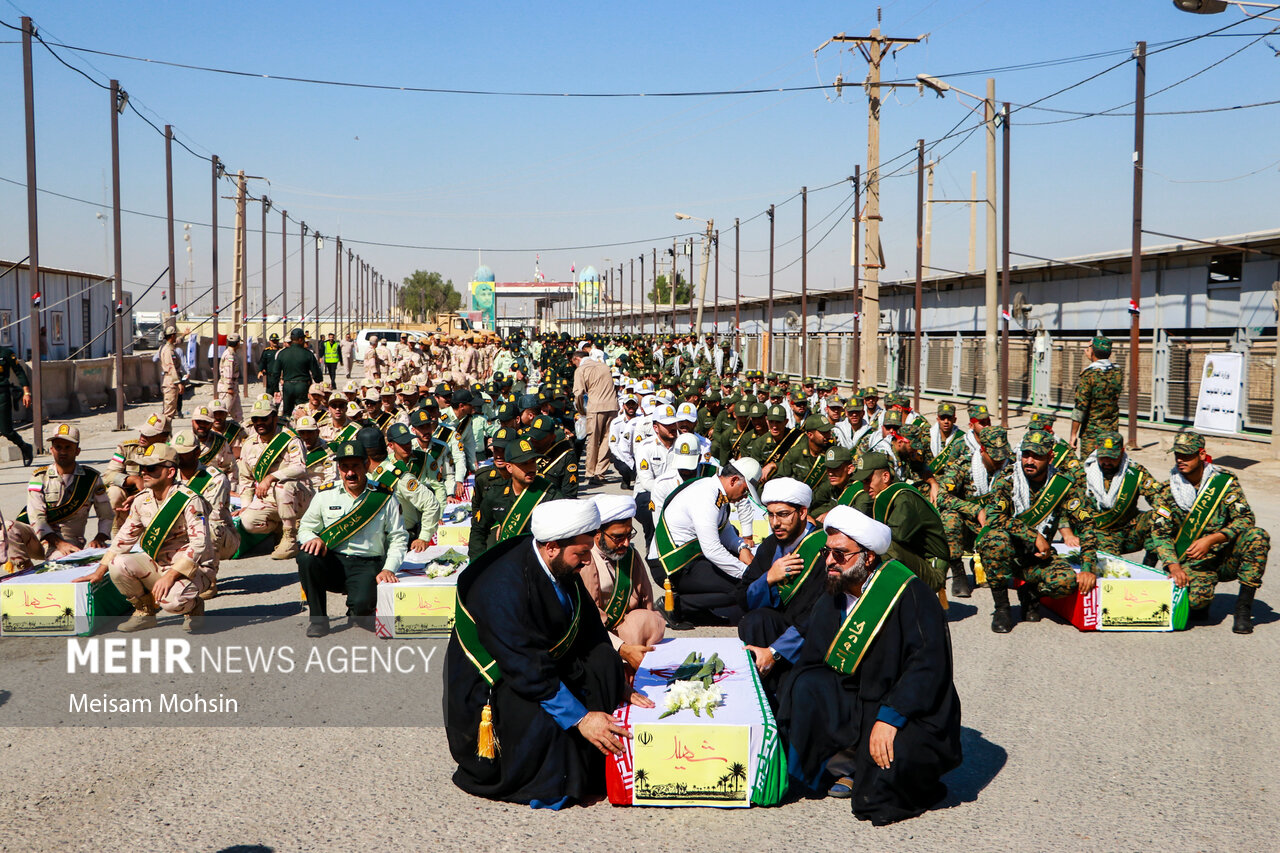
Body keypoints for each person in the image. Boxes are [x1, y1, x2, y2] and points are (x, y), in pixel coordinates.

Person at [445, 499, 653, 808]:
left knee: (605, 660)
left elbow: (589, 627)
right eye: (582, 553)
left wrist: (618, 684)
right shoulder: (502, 587)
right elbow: (524, 665)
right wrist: (581, 718)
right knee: (546, 721)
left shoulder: (558, 562)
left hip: (540, 662)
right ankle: (563, 776)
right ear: (552, 547)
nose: (587, 561)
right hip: (498, 680)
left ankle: (594, 755)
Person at [776, 505, 961, 824]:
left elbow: (927, 667)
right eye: (827, 552)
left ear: (869, 557)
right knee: (804, 683)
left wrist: (890, 719)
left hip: (905, 708)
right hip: (857, 699)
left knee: (876, 797)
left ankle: (863, 765)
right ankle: (830, 764)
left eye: (840, 554)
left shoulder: (908, 593)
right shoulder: (834, 593)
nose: (829, 561)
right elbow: (815, 661)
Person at [74, 444, 215, 633]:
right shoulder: (142, 500)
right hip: (158, 563)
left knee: (173, 602)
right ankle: (144, 611)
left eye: (151, 468)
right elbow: (123, 539)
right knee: (118, 563)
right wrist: (99, 571)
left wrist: (171, 576)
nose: (144, 473)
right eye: (142, 468)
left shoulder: (189, 500)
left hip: (191, 569)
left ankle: (194, 606)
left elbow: (200, 544)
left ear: (170, 472)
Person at [977, 429, 1098, 634]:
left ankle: (1031, 592)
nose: (1029, 461)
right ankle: (1002, 608)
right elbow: (994, 517)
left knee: (1066, 582)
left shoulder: (1062, 484)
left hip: (1039, 557)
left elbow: (1087, 525)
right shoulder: (1008, 479)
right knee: (994, 540)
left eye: (1037, 456)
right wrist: (1033, 535)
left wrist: (1088, 567)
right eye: (1026, 455)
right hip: (1009, 554)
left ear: (1050, 457)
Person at [1151, 431, 1269, 633]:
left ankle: (1243, 609)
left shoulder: (1223, 482)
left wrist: (1213, 539)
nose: (1180, 460)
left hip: (1224, 555)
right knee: (1195, 602)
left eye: (1187, 455)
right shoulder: (1167, 490)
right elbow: (1160, 534)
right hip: (1194, 561)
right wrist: (1174, 567)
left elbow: (1246, 518)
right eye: (1178, 454)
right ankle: (1202, 601)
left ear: (1202, 455)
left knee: (1258, 537)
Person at [296, 439, 408, 637]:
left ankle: (358, 608)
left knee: (362, 611)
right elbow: (305, 528)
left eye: (355, 466)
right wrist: (313, 538)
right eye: (344, 467)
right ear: (338, 468)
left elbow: (398, 537)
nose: (350, 473)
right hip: (334, 561)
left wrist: (388, 569)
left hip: (367, 564)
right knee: (306, 556)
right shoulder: (326, 494)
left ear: (366, 465)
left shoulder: (383, 496)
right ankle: (318, 620)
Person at [737, 478, 828, 692]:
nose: (775, 523)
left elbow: (817, 614)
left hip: (809, 635)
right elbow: (742, 596)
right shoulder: (771, 545)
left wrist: (775, 651)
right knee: (755, 620)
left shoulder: (824, 551)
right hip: (778, 627)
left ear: (802, 513)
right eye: (771, 515)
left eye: (783, 514)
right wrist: (769, 578)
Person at [650, 459, 763, 625]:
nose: (745, 496)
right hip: (672, 565)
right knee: (742, 587)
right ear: (733, 480)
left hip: (690, 558)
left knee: (737, 572)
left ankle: (698, 609)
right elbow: (712, 550)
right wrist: (747, 573)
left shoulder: (715, 490)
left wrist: (742, 548)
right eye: (745, 490)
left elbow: (725, 531)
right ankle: (677, 606)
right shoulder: (706, 496)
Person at [4, 423, 111, 570]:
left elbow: (106, 515)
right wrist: (57, 542)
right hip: (39, 538)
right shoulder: (39, 477)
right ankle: (27, 572)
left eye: (68, 447)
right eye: (58, 447)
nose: (62, 452)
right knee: (8, 527)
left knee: (58, 564)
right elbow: (36, 517)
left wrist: (100, 538)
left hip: (69, 541)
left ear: (77, 451)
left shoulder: (91, 478)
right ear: (51, 450)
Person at [579, 494, 664, 668]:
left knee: (643, 620)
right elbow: (585, 621)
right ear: (597, 533)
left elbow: (647, 603)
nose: (626, 543)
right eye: (618, 537)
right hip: (594, 636)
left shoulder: (630, 556)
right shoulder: (583, 562)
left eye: (629, 535)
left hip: (631, 634)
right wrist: (621, 648)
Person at [848, 452, 949, 593]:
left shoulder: (904, 498)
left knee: (884, 546)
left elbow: (894, 537)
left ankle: (872, 593)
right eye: (863, 482)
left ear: (885, 477)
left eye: (868, 480)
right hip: (917, 560)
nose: (865, 488)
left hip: (933, 568)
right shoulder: (887, 495)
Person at [935, 425, 1011, 599]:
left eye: (1002, 456)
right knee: (949, 517)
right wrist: (975, 509)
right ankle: (958, 573)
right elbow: (942, 497)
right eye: (994, 457)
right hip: (968, 528)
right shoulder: (964, 465)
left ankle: (989, 565)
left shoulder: (1012, 466)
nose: (1000, 461)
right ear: (982, 451)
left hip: (998, 525)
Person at [235, 399, 313, 560]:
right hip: (269, 499)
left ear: (275, 418)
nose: (259, 423)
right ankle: (279, 528)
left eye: (264, 418)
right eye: (255, 419)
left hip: (298, 495)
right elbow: (245, 478)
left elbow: (300, 467)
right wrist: (246, 506)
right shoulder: (249, 444)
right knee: (247, 521)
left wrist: (271, 477)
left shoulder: (289, 438)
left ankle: (290, 537)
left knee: (282, 486)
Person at [468, 437, 560, 560]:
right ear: (509, 467)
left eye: (533, 462)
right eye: (524, 464)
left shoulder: (549, 494)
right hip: (507, 561)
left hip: (537, 561)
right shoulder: (496, 493)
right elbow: (479, 530)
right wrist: (478, 563)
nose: (531, 468)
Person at [1079, 430, 1161, 562]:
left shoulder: (1134, 472)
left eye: (1112, 458)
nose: (1107, 462)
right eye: (1103, 457)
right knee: (1112, 565)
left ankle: (1148, 568)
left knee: (1161, 517)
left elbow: (1158, 497)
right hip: (1097, 532)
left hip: (1127, 530)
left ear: (1122, 452)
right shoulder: (1084, 473)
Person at [172, 429, 240, 575]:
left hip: (220, 536)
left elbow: (212, 517)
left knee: (207, 527)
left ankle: (208, 575)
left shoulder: (215, 479)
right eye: (175, 453)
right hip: (182, 532)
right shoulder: (170, 476)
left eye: (183, 453)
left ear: (197, 453)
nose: (178, 457)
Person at [368, 425, 445, 550]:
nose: (407, 446)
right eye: (402, 444)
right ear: (391, 445)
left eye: (408, 442)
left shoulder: (423, 458)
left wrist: (440, 515)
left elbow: (438, 487)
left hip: (416, 523)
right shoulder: (386, 465)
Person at [103, 413, 171, 532]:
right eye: (143, 432)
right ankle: (119, 532)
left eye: (149, 434)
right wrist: (132, 479)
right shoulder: (126, 448)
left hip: (157, 498)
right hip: (128, 499)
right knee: (114, 492)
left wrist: (140, 496)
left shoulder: (171, 454)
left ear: (163, 438)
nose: (142, 436)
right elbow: (108, 476)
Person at [1068, 336, 1123, 459]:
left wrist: (1073, 435)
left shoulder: (1089, 375)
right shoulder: (1117, 372)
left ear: (1093, 351)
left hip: (1092, 434)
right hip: (1111, 431)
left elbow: (1080, 408)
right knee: (1109, 464)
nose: (1086, 350)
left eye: (1088, 348)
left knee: (1090, 464)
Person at [571, 350, 619, 487]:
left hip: (595, 408)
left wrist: (581, 410)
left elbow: (578, 393)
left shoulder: (581, 370)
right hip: (612, 406)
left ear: (577, 359)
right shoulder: (605, 367)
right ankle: (600, 472)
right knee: (607, 440)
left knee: (593, 441)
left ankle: (590, 473)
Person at [277, 328, 324, 421]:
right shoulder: (308, 354)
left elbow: (275, 372)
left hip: (287, 386)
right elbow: (316, 373)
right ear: (300, 339)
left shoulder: (282, 354)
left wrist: (275, 389)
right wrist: (319, 383)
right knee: (303, 410)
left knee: (287, 413)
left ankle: (287, 427)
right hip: (303, 386)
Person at [0, 342, 32, 466]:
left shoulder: (6, 353)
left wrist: (26, 392)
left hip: (2, 395)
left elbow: (19, 372)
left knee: (6, 431)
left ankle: (25, 447)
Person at [606, 394, 641, 490]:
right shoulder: (616, 422)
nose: (631, 407)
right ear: (623, 406)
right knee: (625, 468)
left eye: (633, 404)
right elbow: (613, 444)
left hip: (637, 454)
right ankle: (626, 479)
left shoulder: (641, 420)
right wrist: (626, 460)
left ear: (637, 406)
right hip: (621, 455)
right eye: (628, 404)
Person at [159, 324, 183, 420]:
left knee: (171, 409)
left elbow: (177, 342)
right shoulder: (168, 350)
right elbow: (171, 367)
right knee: (169, 412)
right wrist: (178, 383)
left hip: (171, 380)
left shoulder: (169, 347)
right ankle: (165, 429)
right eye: (175, 335)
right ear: (172, 336)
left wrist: (184, 335)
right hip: (171, 381)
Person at [219, 334, 244, 421]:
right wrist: (229, 387)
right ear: (237, 343)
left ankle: (240, 428)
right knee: (223, 412)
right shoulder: (229, 355)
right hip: (228, 388)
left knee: (238, 414)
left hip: (233, 386)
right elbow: (228, 372)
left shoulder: (232, 353)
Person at [257, 333, 282, 399]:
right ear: (270, 341)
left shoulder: (281, 351)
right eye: (273, 341)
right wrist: (260, 371)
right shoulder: (267, 351)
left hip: (280, 376)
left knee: (279, 395)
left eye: (276, 341)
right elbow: (262, 362)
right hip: (270, 376)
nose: (275, 342)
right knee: (269, 395)